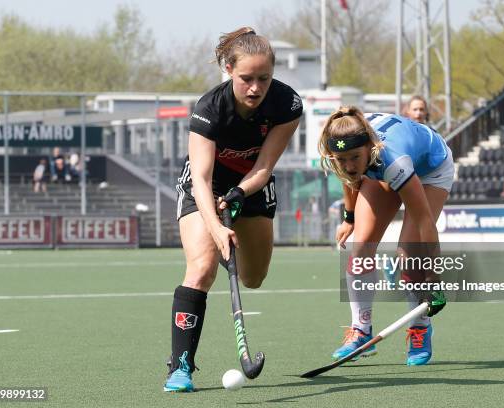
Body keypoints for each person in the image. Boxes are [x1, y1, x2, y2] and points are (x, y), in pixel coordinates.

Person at [165, 27, 302, 392]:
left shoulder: (287, 104)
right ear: (228, 70)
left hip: (252, 185)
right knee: (202, 267)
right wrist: (216, 226)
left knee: (253, 277)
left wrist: (240, 193)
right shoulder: (210, 109)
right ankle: (181, 367)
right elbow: (202, 177)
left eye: (263, 78)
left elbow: (264, 167)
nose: (255, 88)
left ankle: (232, 240)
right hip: (204, 188)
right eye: (246, 79)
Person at [318, 106, 451, 366]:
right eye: (340, 159)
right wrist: (349, 218)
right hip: (381, 165)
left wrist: (434, 278)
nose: (348, 165)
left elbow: (424, 221)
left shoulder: (392, 160)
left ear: (370, 147)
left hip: (430, 169)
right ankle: (361, 329)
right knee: (361, 247)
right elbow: (349, 178)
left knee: (409, 255)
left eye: (354, 157)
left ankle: (420, 327)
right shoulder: (344, 147)